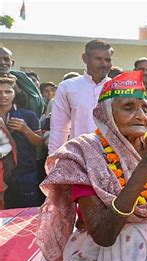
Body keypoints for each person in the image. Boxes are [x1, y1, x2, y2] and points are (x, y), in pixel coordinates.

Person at [36, 71, 147, 261]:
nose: (140, 116)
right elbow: (104, 235)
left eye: (145, 108)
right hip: (105, 250)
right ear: (105, 113)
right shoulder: (82, 153)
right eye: (128, 108)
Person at [49, 39, 113, 154]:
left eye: (107, 60)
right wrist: (54, 160)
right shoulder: (67, 87)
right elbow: (59, 128)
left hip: (113, 157)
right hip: (79, 155)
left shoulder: (118, 88)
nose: (104, 64)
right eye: (98, 59)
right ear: (85, 58)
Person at [0, 77, 44, 208]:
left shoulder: (28, 115)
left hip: (24, 173)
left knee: (24, 215)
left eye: (8, 92)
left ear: (15, 93)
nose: (3, 96)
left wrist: (25, 129)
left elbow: (39, 143)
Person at [0, 47, 45, 117]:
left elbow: (34, 102)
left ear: (12, 63)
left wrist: (16, 87)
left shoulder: (21, 79)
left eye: (6, 59)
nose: (2, 63)